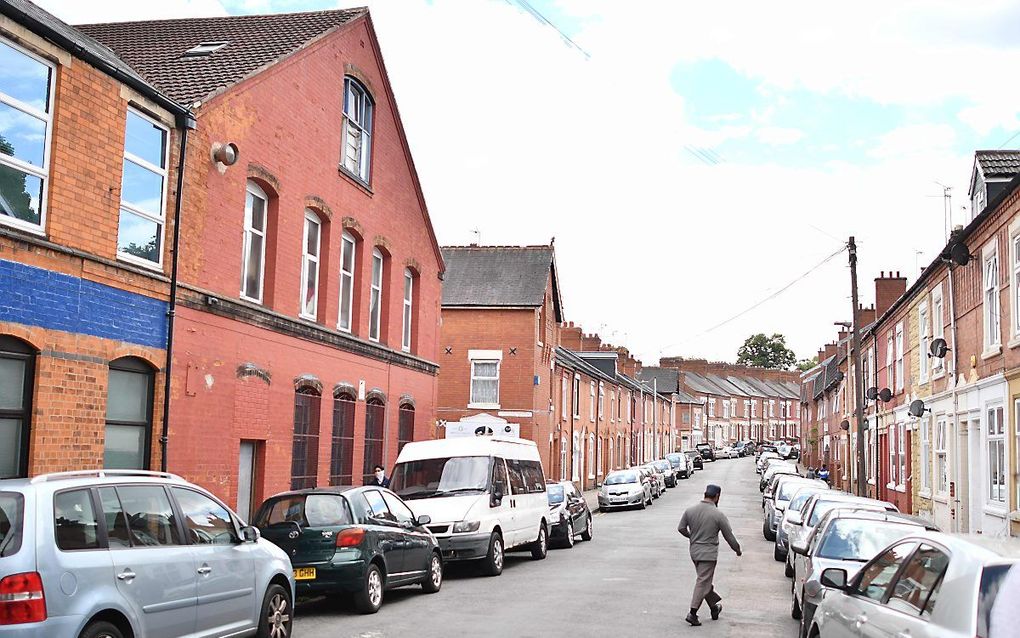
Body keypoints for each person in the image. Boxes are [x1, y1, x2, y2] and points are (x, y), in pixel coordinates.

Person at [677, 484, 742, 627]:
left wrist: (691, 537)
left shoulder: (690, 510)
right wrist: (737, 549)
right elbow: (729, 536)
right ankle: (692, 613)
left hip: (694, 552)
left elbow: (681, 528)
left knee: (703, 581)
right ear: (717, 496)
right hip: (708, 554)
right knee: (702, 582)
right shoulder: (718, 514)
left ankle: (714, 608)